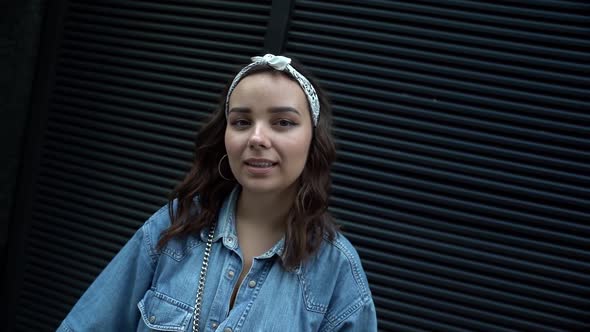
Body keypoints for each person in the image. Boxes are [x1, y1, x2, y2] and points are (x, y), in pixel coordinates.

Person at [57, 54, 377, 331]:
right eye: (241, 122)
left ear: (313, 140)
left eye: (282, 122)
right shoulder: (175, 227)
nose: (257, 137)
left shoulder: (337, 270)